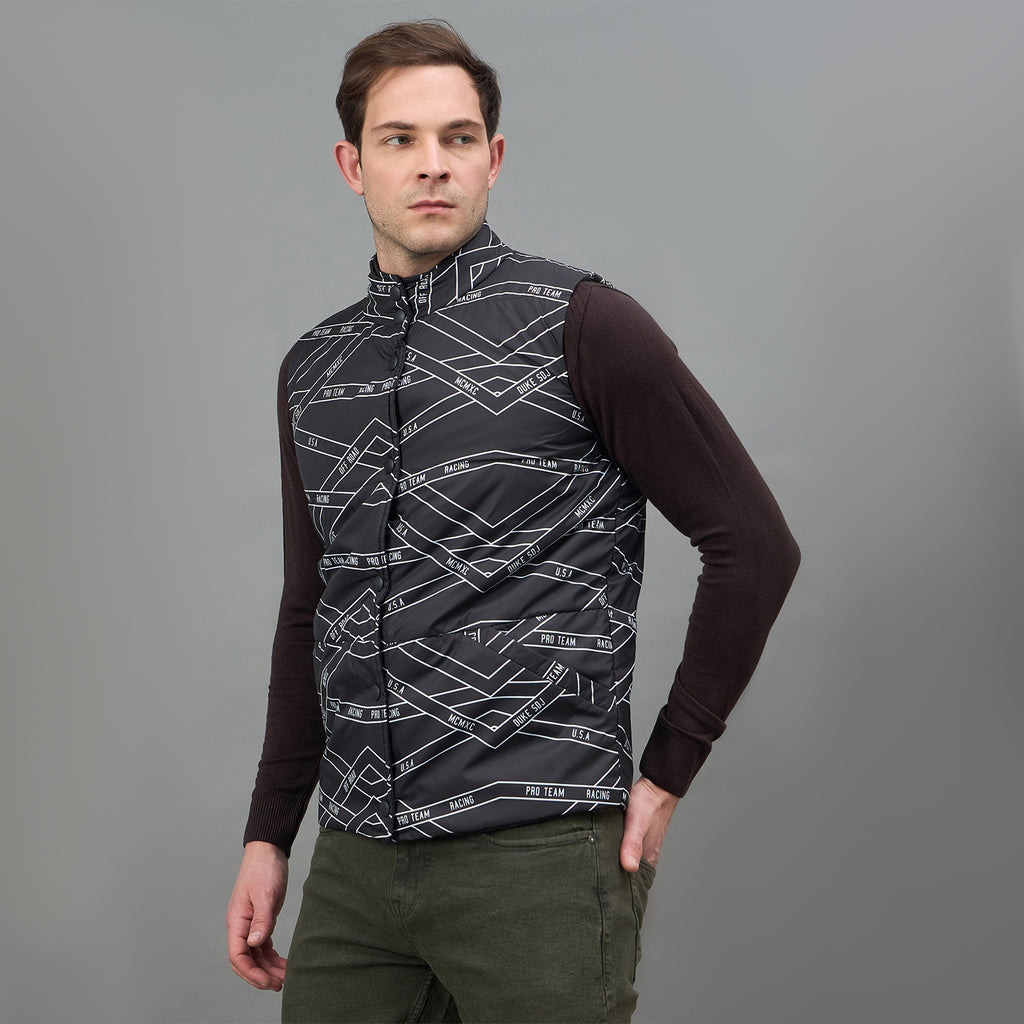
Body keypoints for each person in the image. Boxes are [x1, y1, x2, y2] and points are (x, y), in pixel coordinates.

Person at [227, 19, 800, 1024]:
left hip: (536, 857)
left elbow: (753, 547)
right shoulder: (313, 371)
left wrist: (668, 769)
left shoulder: (584, 325)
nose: (432, 164)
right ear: (352, 165)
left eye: (457, 138)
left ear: (492, 158)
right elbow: (310, 609)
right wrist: (270, 833)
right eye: (400, 139)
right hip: (357, 868)